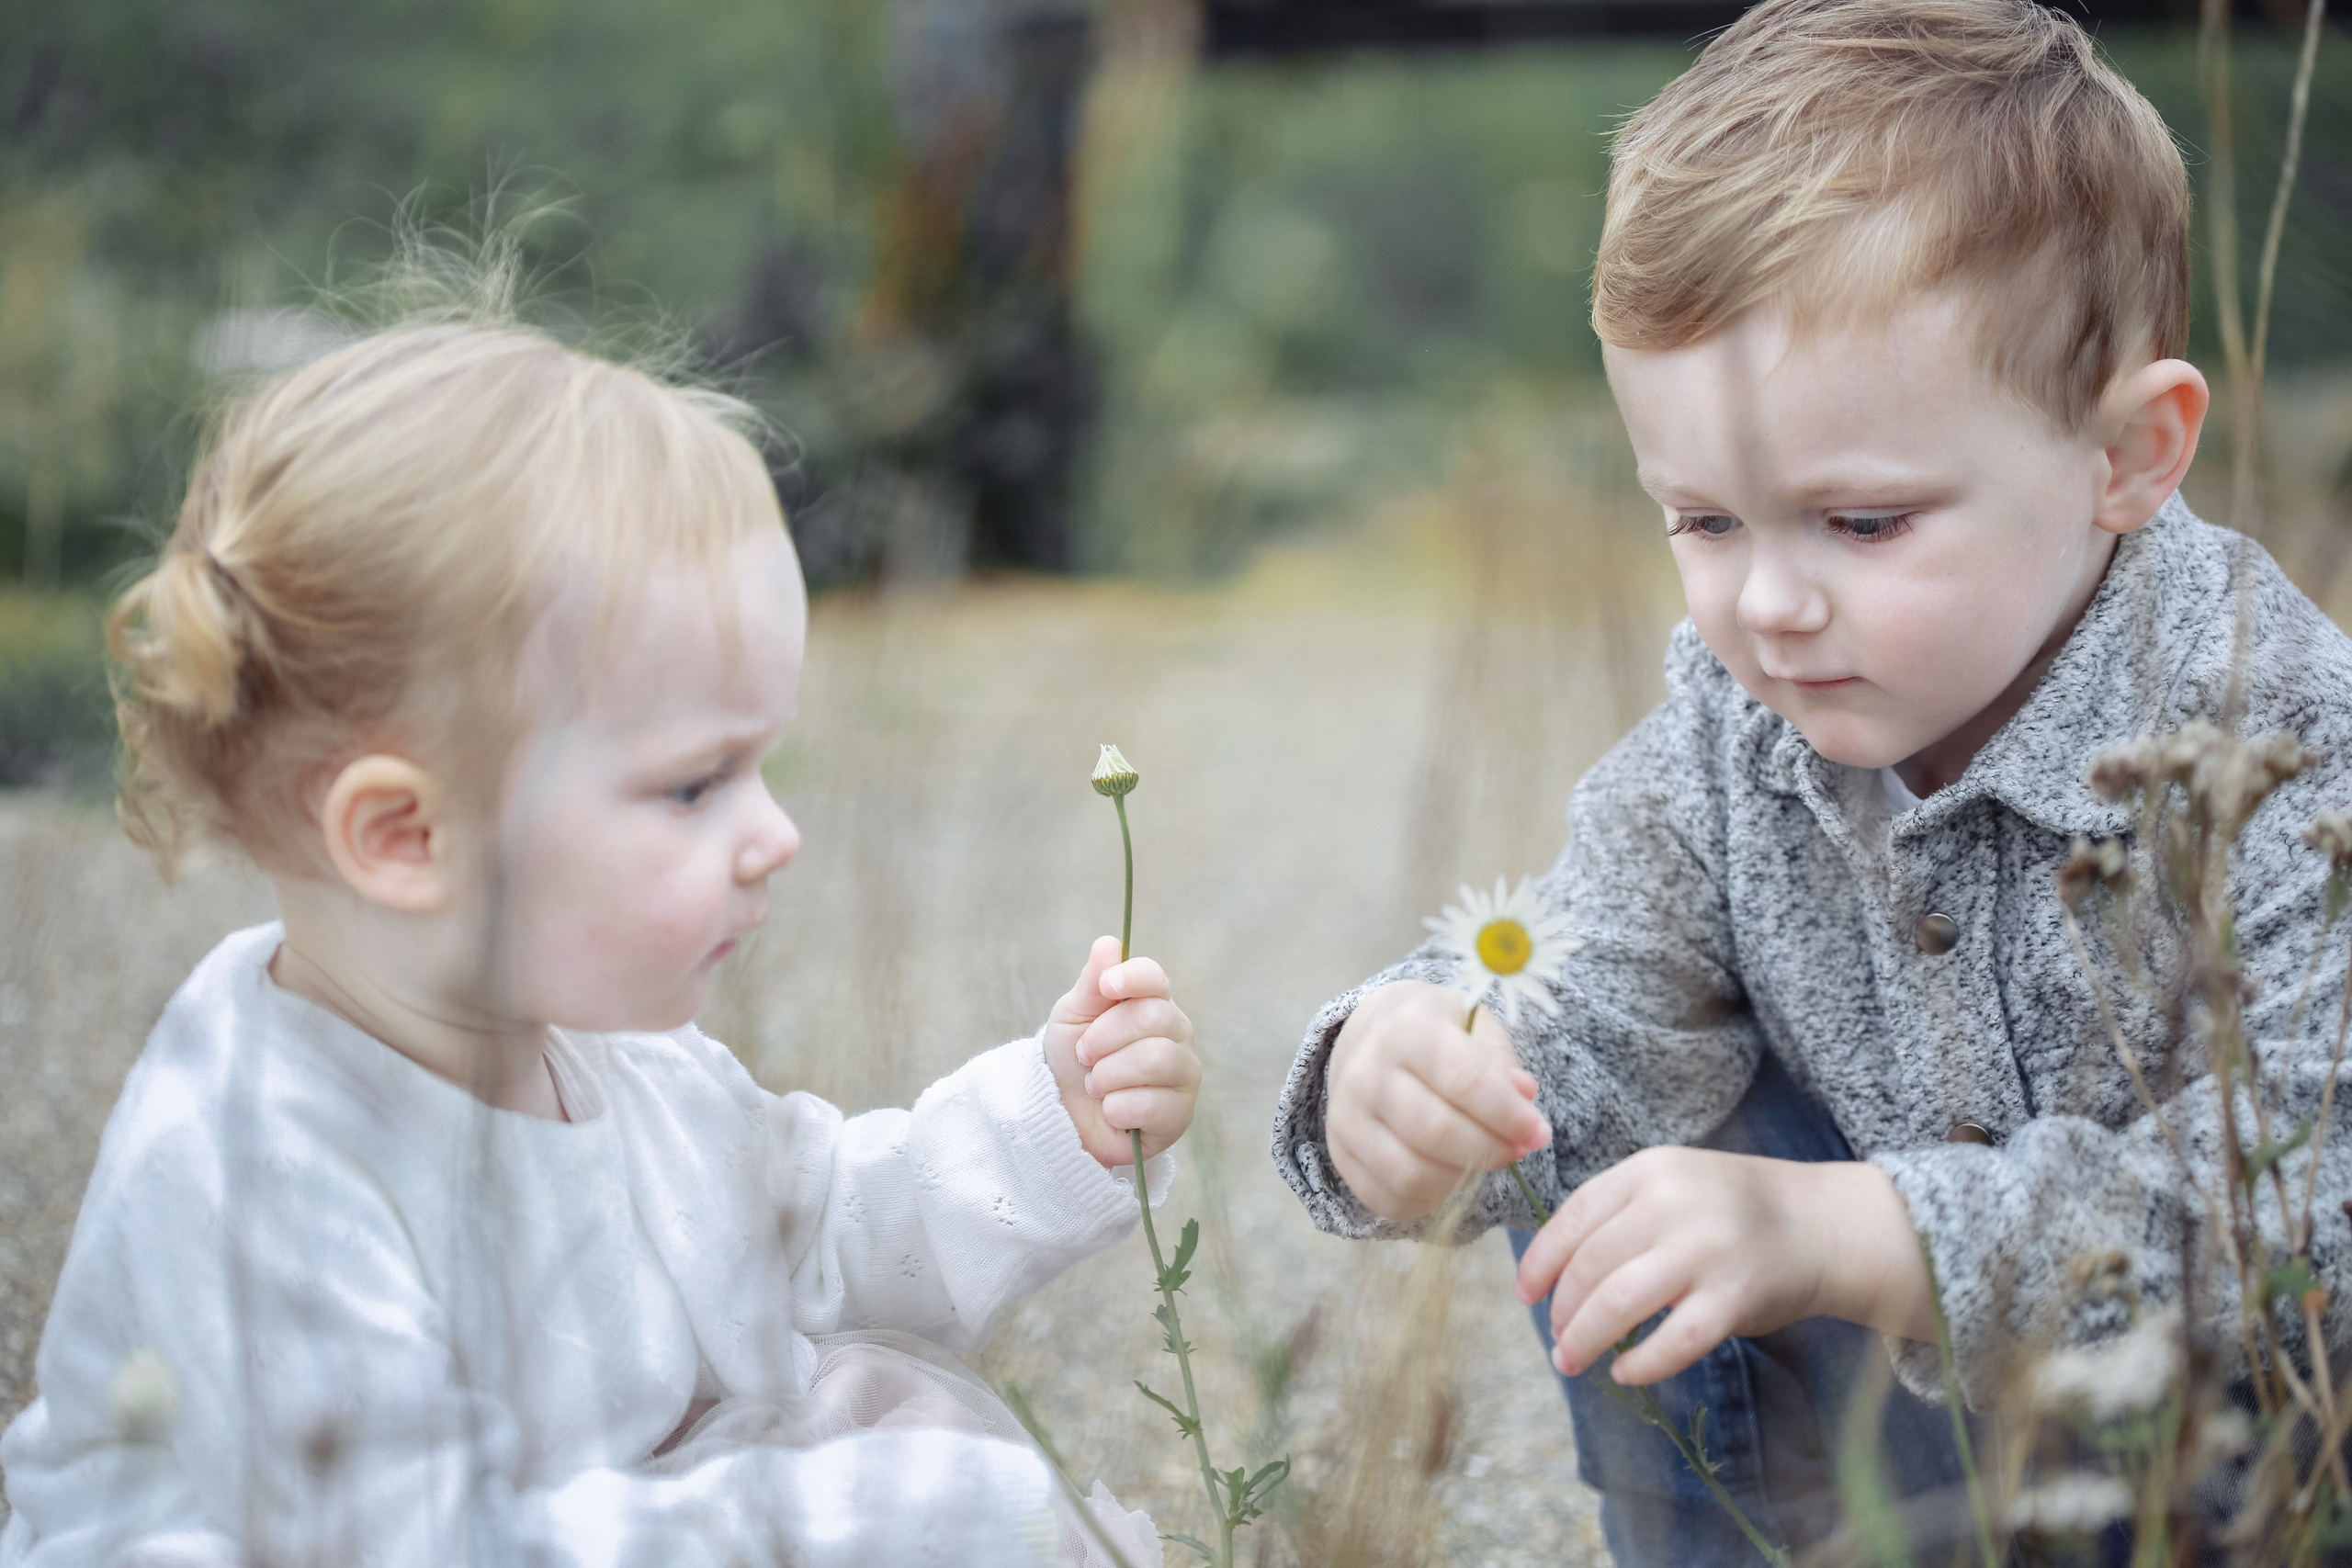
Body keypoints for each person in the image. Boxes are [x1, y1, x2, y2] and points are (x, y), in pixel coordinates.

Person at [1271, 0, 2352, 1560]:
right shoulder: (1737, 726)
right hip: (1904, 1428)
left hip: (2221, 1454)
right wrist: (1409, 1072)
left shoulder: (2276, 741)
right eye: (1703, 522)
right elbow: (1601, 1007)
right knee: (1629, 1175)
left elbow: (2308, 1212)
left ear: (2129, 453)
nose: (1766, 607)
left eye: (1861, 524)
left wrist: (1875, 1230)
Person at [0, 303, 1199, 1568]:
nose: (775, 833)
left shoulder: (605, 1055)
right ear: (409, 836)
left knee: (868, 1408)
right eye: (695, 785)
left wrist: (1046, 1126)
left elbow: (820, 1230)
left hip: (601, 1510)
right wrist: (822, 1527)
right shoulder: (256, 1174)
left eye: (763, 763)